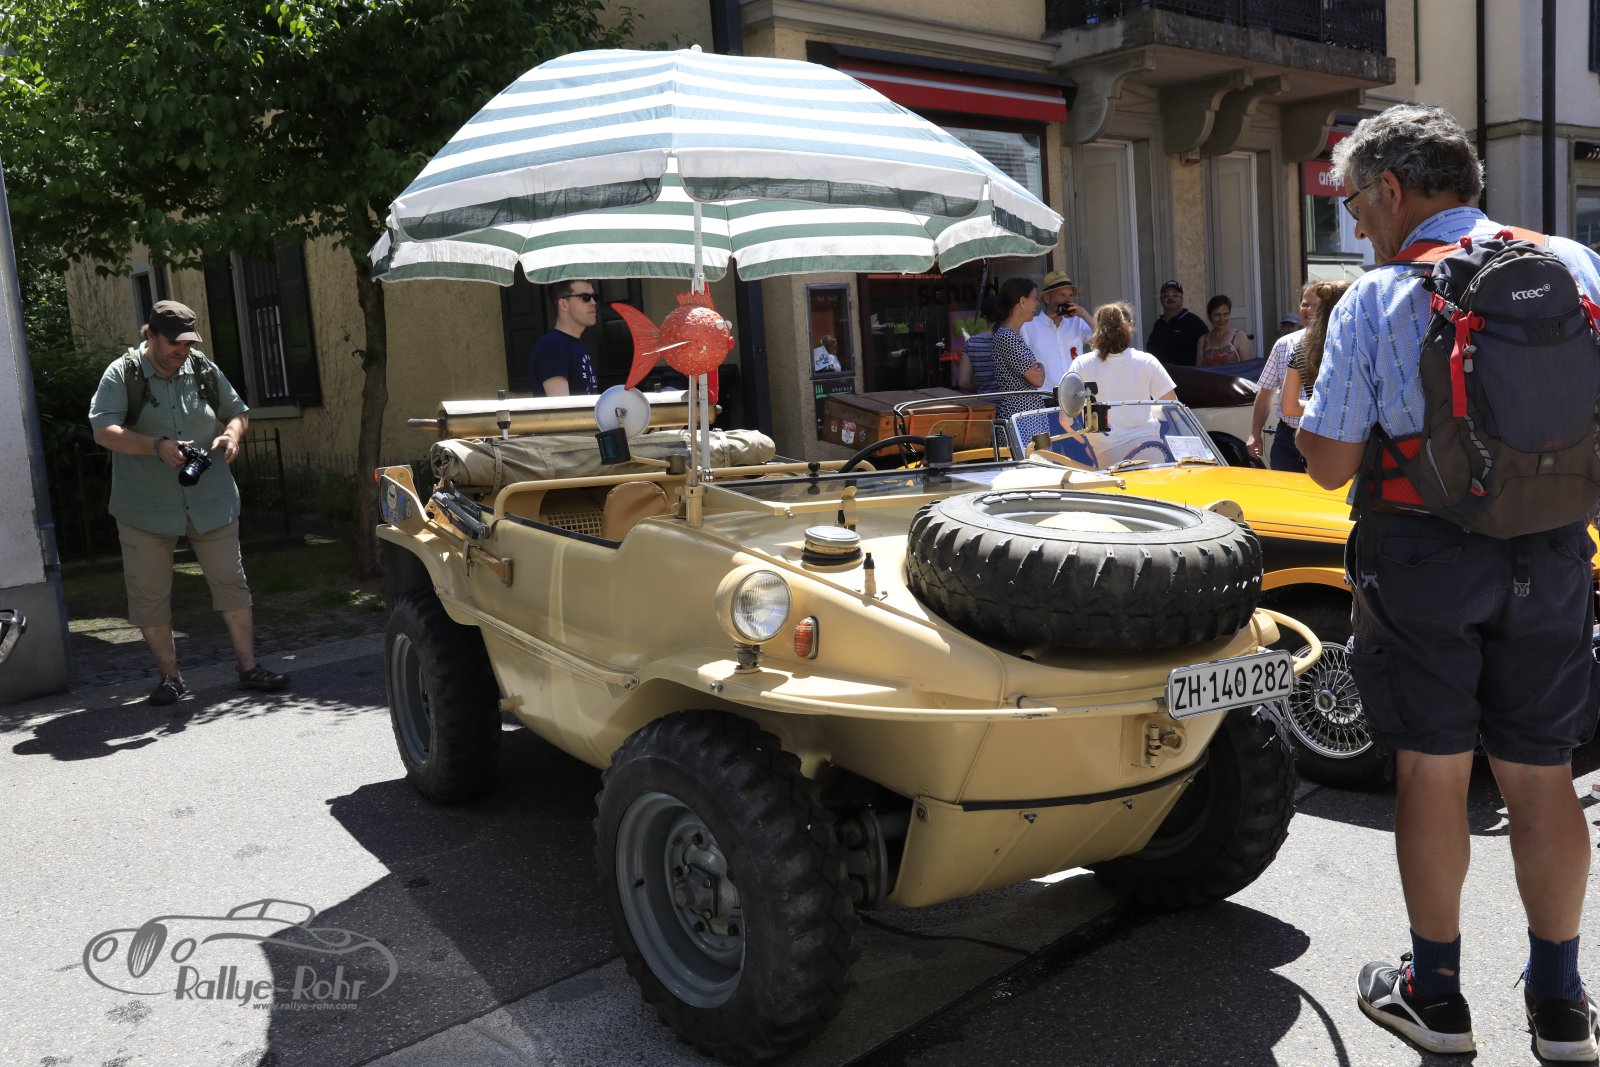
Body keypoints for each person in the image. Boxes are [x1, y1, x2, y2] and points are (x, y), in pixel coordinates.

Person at [1296, 102, 1600, 1061]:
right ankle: (1560, 1004)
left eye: (1355, 204)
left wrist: (1308, 377)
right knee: (1541, 770)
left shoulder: (1376, 297)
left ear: (1392, 189)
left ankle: (1435, 996)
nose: (1355, 226)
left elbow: (1329, 465)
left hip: (1422, 555)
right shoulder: (1575, 265)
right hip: (1553, 548)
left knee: (1432, 768)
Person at [88, 300, 288, 705]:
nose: (182, 350)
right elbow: (103, 430)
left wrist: (231, 435)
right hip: (144, 507)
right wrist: (156, 446)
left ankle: (249, 668)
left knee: (231, 582)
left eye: (188, 343)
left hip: (211, 499)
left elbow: (238, 412)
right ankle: (171, 678)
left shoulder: (201, 368)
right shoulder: (122, 373)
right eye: (174, 342)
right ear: (151, 334)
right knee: (149, 595)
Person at [1067, 302, 1177, 465]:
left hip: (1107, 456)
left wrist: (1086, 444)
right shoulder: (1147, 361)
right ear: (1129, 326)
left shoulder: (1081, 364)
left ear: (1097, 328)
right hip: (1152, 450)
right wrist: (1145, 410)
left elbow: (1065, 420)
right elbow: (1173, 410)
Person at [1247, 282, 1319, 469]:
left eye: (1315, 305)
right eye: (1305, 304)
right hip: (1287, 438)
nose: (1309, 310)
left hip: (1323, 437)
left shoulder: (1341, 345)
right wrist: (1255, 433)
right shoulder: (1284, 344)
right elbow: (1265, 392)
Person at [1281, 281, 1350, 421]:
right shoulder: (1364, 343)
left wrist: (1327, 408)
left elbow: (1289, 407)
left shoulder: (1302, 347)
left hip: (1319, 429)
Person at [1021, 270, 1094, 390]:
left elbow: (1104, 339)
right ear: (1047, 298)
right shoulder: (1028, 327)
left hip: (1075, 396)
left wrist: (1083, 313)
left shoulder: (1077, 322)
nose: (1068, 300)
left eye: (1070, 295)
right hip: (1046, 397)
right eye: (1062, 295)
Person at [988, 277, 1046, 423]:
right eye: (1035, 299)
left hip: (1026, 415)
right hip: (1021, 417)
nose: (1037, 304)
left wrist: (1038, 367)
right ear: (1022, 301)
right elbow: (1037, 379)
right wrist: (1041, 366)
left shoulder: (1011, 334)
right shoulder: (1007, 337)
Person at [531, 280, 600, 396]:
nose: (593, 302)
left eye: (594, 297)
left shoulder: (576, 345)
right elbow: (562, 405)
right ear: (564, 304)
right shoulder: (551, 346)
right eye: (585, 297)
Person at [1144, 279, 1209, 365]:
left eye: (1175, 295)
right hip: (1160, 372)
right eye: (1166, 295)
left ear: (1182, 299)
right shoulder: (1159, 324)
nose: (1171, 298)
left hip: (1185, 372)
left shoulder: (1195, 323)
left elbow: (1207, 353)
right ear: (1161, 300)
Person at [1196, 294, 1253, 367]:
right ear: (1209, 316)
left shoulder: (1239, 337)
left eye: (1225, 314)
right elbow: (1199, 370)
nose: (1222, 319)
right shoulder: (1203, 341)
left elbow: (1248, 368)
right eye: (1217, 315)